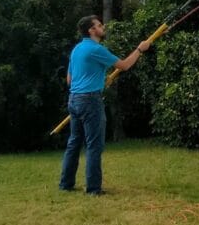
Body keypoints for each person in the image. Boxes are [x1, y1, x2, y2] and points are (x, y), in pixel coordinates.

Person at [59, 15, 152, 195]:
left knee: (74, 143)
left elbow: (70, 80)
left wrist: (99, 79)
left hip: (74, 100)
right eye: (99, 25)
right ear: (91, 30)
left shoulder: (77, 50)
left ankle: (66, 184)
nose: (103, 27)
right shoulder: (96, 49)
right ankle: (94, 189)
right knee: (94, 146)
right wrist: (140, 50)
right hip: (90, 101)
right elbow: (124, 65)